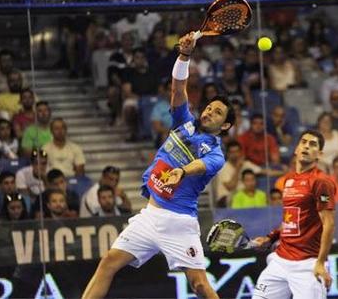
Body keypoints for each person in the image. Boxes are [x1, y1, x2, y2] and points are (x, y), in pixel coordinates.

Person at [82, 32, 235, 299]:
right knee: (108, 262)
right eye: (210, 108)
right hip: (150, 216)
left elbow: (201, 165)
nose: (210, 112)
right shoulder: (183, 121)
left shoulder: (216, 153)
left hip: (179, 223)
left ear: (226, 126)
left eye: (218, 113)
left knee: (200, 285)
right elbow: (178, 88)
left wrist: (183, 170)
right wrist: (184, 55)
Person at [251, 129, 336, 299]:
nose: (306, 147)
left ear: (319, 154)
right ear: (296, 149)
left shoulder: (321, 182)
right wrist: (271, 237)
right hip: (280, 261)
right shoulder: (288, 180)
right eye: (303, 142)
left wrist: (320, 262)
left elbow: (329, 224)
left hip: (307, 265)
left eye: (312, 145)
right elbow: (291, 220)